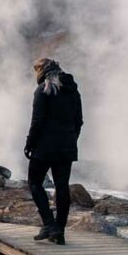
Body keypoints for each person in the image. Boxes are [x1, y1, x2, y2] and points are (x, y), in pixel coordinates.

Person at [24, 58, 83, 245]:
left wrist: (29, 144)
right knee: (62, 186)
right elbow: (78, 121)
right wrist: (71, 139)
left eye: (37, 70)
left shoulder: (44, 90)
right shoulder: (74, 91)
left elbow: (37, 121)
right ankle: (60, 232)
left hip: (44, 146)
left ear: (42, 71)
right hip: (67, 146)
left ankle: (49, 223)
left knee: (34, 183)